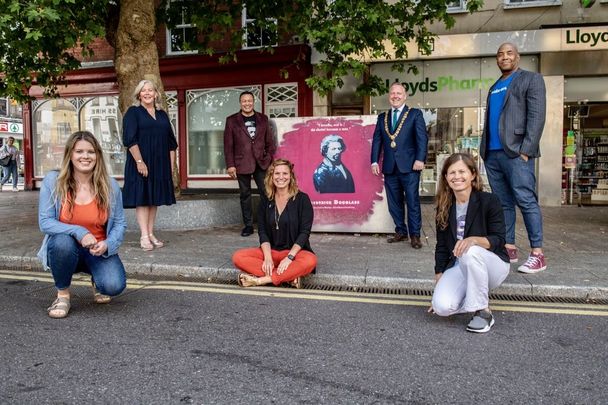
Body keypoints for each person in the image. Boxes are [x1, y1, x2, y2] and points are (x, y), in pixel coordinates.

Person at [37, 131, 127, 319]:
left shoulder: (110, 186)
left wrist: (108, 244)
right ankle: (62, 295)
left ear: (98, 156)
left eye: (91, 152)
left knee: (113, 286)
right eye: (79, 151)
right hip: (65, 250)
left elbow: (120, 223)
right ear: (70, 154)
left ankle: (97, 279)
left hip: (97, 250)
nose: (85, 156)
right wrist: (79, 232)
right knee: (62, 242)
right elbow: (45, 222)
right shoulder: (53, 182)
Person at [480, 42, 547, 274]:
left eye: (509, 53)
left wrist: (526, 150)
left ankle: (537, 254)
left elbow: (537, 117)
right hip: (493, 154)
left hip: (517, 153)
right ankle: (509, 247)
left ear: (517, 57)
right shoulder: (495, 86)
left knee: (525, 200)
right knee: (503, 203)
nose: (504, 57)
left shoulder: (531, 79)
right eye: (500, 54)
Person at [430, 153, 510, 333]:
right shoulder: (444, 206)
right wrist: (439, 279)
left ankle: (483, 312)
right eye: (451, 173)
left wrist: (473, 240)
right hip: (460, 265)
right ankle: (470, 296)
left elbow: (499, 240)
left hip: (492, 265)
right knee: (441, 307)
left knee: (469, 250)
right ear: (445, 177)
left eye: (462, 171)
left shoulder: (489, 201)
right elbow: (442, 246)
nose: (456, 176)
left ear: (473, 175)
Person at [232, 159, 317, 288]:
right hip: (271, 252)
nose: (281, 177)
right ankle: (288, 277)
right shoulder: (266, 200)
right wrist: (267, 258)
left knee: (310, 261)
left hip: (295, 253)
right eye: (277, 173)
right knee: (238, 257)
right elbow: (263, 232)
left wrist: (289, 258)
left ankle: (261, 280)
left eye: (285, 173)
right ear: (271, 176)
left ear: (291, 176)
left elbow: (304, 233)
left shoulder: (302, 199)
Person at [371, 82, 428, 249]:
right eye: (392, 93)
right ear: (389, 96)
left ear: (405, 96)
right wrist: (374, 160)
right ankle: (401, 231)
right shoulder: (383, 117)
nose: (395, 96)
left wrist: (420, 159)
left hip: (410, 166)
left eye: (399, 93)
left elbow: (422, 138)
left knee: (412, 201)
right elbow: (377, 140)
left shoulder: (415, 114)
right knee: (394, 202)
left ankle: (415, 235)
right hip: (389, 167)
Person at [122, 79, 178, 251]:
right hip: (141, 162)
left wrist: (170, 168)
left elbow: (171, 143)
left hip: (160, 164)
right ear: (139, 94)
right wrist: (140, 161)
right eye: (143, 90)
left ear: (156, 94)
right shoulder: (133, 112)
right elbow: (130, 139)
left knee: (154, 200)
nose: (147, 93)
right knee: (143, 199)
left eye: (150, 90)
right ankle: (144, 236)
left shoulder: (162, 114)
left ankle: (151, 233)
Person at [224, 91, 276, 237]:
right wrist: (230, 165)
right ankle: (248, 225)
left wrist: (268, 158)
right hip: (241, 163)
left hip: (261, 163)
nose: (247, 103)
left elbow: (269, 142)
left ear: (254, 102)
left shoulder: (263, 119)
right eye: (244, 101)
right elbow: (228, 145)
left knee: (266, 193)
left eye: (250, 101)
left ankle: (266, 224)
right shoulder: (232, 120)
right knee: (245, 194)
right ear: (240, 103)